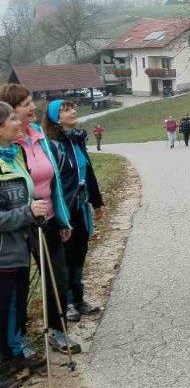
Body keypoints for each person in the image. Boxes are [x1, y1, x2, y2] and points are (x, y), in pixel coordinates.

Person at [0, 84, 81, 354]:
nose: (33, 107)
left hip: (48, 217)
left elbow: (55, 180)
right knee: (19, 283)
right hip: (23, 223)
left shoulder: (39, 136)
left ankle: (57, 330)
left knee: (57, 274)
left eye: (32, 100)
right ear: (10, 112)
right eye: (25, 104)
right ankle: (17, 341)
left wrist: (63, 218)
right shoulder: (10, 147)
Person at [0, 102, 47, 388]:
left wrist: (33, 213)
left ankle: (15, 353)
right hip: (3, 252)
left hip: (19, 245)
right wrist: (27, 213)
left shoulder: (14, 154)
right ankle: (3, 366)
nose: (18, 123)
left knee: (16, 305)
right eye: (12, 119)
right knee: (2, 308)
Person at [43, 100, 104, 320]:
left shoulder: (77, 140)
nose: (73, 111)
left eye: (73, 108)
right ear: (55, 118)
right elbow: (54, 180)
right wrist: (59, 215)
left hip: (81, 207)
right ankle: (67, 302)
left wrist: (97, 202)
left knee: (80, 253)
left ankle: (79, 299)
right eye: (66, 110)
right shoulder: (52, 144)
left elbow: (88, 173)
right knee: (66, 256)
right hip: (65, 208)